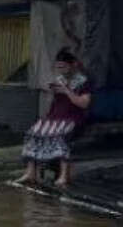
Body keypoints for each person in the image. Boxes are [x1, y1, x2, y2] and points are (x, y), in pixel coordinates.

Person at [16, 49, 93, 189]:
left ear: (73, 65)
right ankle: (31, 172)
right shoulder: (59, 80)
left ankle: (63, 175)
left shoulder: (83, 82)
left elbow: (84, 103)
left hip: (73, 117)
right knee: (33, 133)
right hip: (55, 117)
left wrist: (67, 91)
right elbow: (55, 104)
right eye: (58, 67)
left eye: (63, 67)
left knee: (60, 135)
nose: (60, 70)